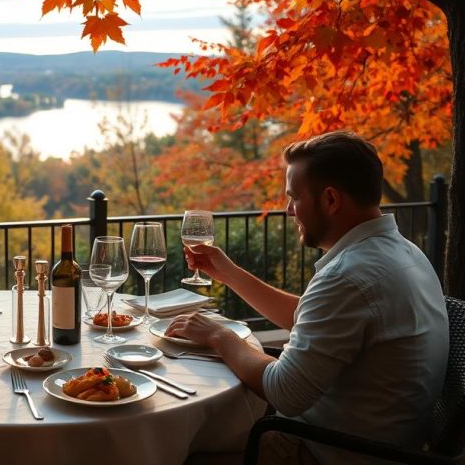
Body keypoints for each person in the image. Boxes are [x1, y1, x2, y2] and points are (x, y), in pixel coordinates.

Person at [166, 131, 448, 464]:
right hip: (390, 441)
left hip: (331, 451)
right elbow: (311, 317)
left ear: (330, 200)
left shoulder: (348, 276)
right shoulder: (402, 252)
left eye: (294, 197)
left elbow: (285, 391)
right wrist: (228, 273)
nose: (288, 210)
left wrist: (219, 336)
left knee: (181, 453)